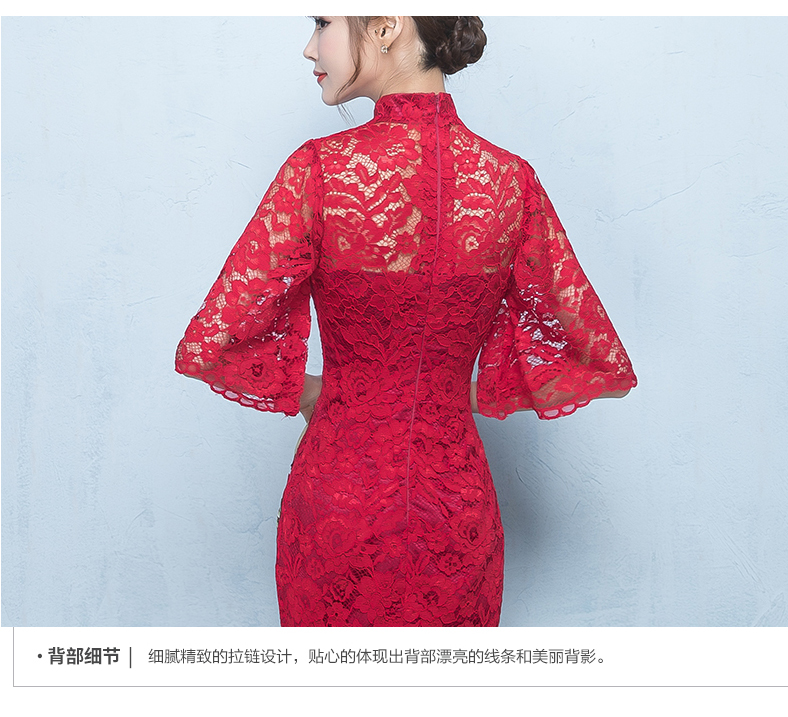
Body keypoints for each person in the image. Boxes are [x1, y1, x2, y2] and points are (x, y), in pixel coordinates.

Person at [175, 16, 637, 626]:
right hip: (457, 509)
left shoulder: (320, 171)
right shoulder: (512, 183)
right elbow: (594, 359)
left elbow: (210, 344)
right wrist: (444, 396)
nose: (311, 47)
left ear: (386, 25)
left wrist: (323, 393)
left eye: (323, 21)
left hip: (339, 505)